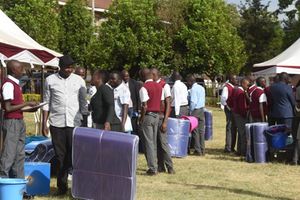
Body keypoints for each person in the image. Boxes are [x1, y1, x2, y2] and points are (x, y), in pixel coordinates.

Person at [42, 55, 88, 195]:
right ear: (60, 67)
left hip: (74, 123)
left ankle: (78, 188)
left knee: (74, 155)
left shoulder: (79, 81)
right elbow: (46, 103)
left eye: (71, 67)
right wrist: (44, 123)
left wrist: (84, 122)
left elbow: (83, 102)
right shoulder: (50, 80)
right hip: (57, 123)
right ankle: (62, 187)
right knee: (60, 156)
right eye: (67, 67)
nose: (70, 70)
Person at [0, 60, 38, 179]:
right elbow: (8, 107)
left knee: (19, 155)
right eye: (20, 68)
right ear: (14, 70)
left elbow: (15, 107)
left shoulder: (16, 84)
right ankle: (3, 182)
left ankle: (18, 184)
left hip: (18, 121)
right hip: (11, 123)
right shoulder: (8, 84)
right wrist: (26, 103)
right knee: (9, 154)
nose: (23, 71)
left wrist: (29, 109)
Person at [139, 68, 163, 175]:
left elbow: (144, 106)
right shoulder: (159, 86)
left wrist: (141, 118)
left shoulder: (144, 88)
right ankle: (155, 165)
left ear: (142, 77)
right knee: (153, 142)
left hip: (148, 115)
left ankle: (152, 168)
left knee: (148, 142)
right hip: (157, 115)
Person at [151, 68, 174, 174]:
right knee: (156, 143)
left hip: (161, 117)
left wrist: (165, 121)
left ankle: (170, 166)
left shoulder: (164, 85)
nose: (152, 76)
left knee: (163, 143)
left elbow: (168, 103)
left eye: (153, 74)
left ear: (158, 75)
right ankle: (160, 165)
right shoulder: (151, 85)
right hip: (154, 116)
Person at [186, 74, 206, 156]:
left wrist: (190, 111)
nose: (187, 83)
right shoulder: (201, 88)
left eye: (188, 82)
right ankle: (202, 149)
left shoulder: (193, 89)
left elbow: (193, 102)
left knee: (195, 131)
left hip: (195, 110)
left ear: (191, 81)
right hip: (201, 109)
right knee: (201, 131)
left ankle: (197, 150)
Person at [232, 78, 249, 156]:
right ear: (243, 84)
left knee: (240, 132)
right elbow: (242, 106)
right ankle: (243, 151)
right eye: (247, 85)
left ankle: (239, 150)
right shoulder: (240, 92)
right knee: (243, 134)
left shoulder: (236, 90)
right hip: (240, 114)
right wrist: (244, 114)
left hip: (236, 113)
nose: (248, 86)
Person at [220, 74, 238, 153]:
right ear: (231, 79)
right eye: (235, 79)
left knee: (233, 128)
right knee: (230, 128)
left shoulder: (233, 87)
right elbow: (223, 99)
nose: (236, 80)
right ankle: (228, 147)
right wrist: (229, 108)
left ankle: (232, 146)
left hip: (233, 110)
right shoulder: (226, 87)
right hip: (230, 110)